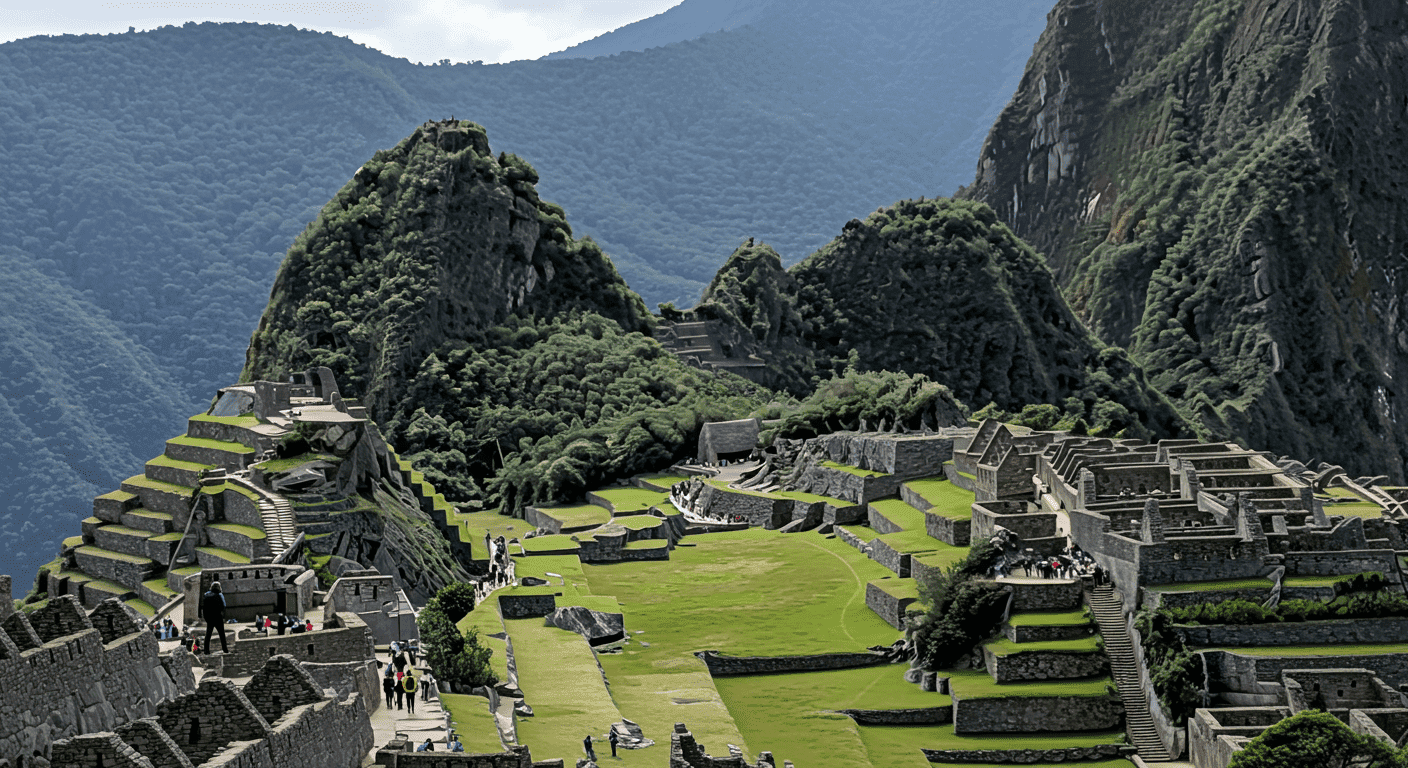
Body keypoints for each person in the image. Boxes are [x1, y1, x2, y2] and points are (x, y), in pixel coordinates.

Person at [201, 581, 229, 654]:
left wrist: (205, 617)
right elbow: (223, 606)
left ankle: (206, 650)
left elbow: (203, 607)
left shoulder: (206, 595)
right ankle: (225, 649)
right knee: (222, 634)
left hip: (209, 617)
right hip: (217, 617)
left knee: (208, 634)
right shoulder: (219, 595)